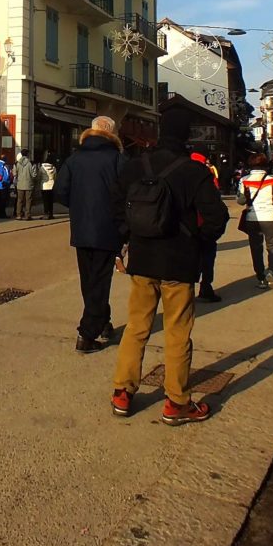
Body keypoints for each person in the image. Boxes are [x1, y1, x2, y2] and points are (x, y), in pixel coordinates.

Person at [110, 110, 229, 423]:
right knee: (177, 332)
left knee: (137, 327)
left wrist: (127, 242)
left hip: (143, 259)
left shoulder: (136, 166)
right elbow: (217, 218)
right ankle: (176, 403)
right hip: (179, 263)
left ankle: (123, 392)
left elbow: (118, 210)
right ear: (187, 136)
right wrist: (200, 242)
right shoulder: (194, 171)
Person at [54, 115, 127, 353]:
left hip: (82, 228)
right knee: (100, 280)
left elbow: (61, 191)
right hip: (109, 229)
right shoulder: (118, 159)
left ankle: (103, 321)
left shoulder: (74, 159)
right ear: (113, 134)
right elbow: (128, 195)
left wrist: (78, 207)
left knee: (89, 280)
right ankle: (87, 333)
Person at [237, 152, 273, 289]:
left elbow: (241, 200)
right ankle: (272, 272)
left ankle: (260, 278)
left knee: (256, 247)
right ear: (265, 165)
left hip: (252, 217)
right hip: (271, 216)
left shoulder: (244, 179)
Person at [190, 151, 222, 302]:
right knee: (208, 256)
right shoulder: (208, 174)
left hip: (186, 226)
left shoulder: (180, 171)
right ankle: (206, 286)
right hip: (205, 223)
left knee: (189, 258)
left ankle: (186, 290)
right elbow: (215, 197)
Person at [13, 149, 37, 219]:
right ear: (28, 154)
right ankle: (27, 215)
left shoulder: (16, 163)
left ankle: (19, 215)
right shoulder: (31, 163)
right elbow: (34, 175)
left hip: (20, 184)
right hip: (29, 185)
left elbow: (14, 174)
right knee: (28, 200)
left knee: (19, 200)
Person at [38, 151, 57, 218]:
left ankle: (46, 213)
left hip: (44, 186)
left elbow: (39, 176)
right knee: (50, 201)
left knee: (45, 201)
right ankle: (51, 214)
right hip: (52, 185)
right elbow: (55, 177)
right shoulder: (53, 168)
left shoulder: (42, 168)